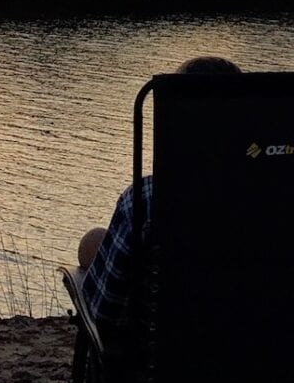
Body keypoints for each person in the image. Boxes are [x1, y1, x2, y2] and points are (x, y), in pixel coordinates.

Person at [74, 54, 241, 331]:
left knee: (93, 242)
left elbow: (101, 312)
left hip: (162, 362)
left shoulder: (147, 199)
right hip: (255, 352)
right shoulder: (279, 197)